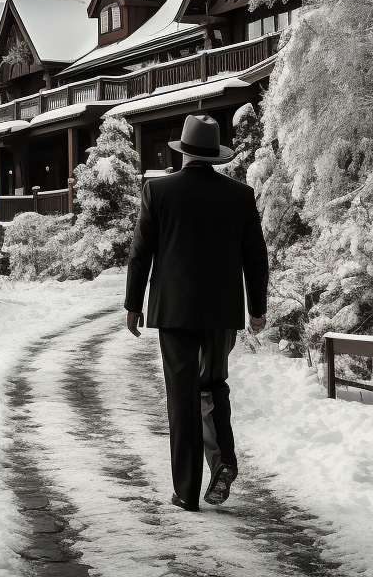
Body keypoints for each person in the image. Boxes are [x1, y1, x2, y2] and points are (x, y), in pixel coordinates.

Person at [123, 114, 269, 511]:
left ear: (183, 151)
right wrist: (257, 308)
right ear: (215, 155)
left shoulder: (158, 191)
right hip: (222, 312)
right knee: (212, 385)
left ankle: (186, 491)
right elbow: (256, 257)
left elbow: (140, 254)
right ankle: (224, 461)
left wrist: (133, 305)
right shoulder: (240, 195)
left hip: (173, 312)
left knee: (182, 397)